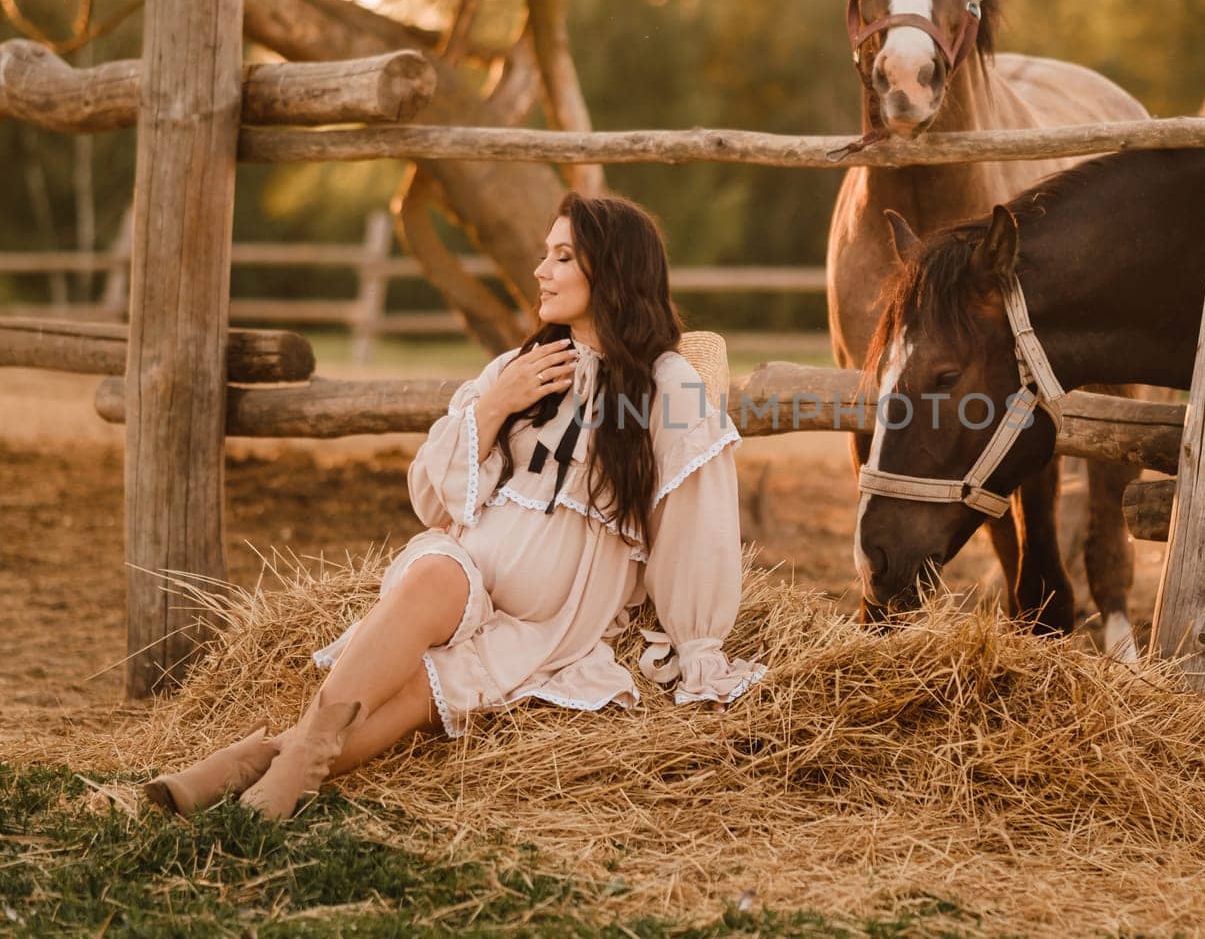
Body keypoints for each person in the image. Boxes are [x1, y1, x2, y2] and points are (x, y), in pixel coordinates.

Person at [145, 192, 765, 820]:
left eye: (561, 257)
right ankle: (295, 767)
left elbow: (697, 522)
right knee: (433, 577)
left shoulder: (668, 384)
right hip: (469, 573)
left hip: (553, 624)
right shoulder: (519, 366)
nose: (540, 272)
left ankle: (256, 765)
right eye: (543, 256)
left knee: (424, 690)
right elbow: (429, 493)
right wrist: (498, 402)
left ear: (611, 272)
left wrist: (698, 647)